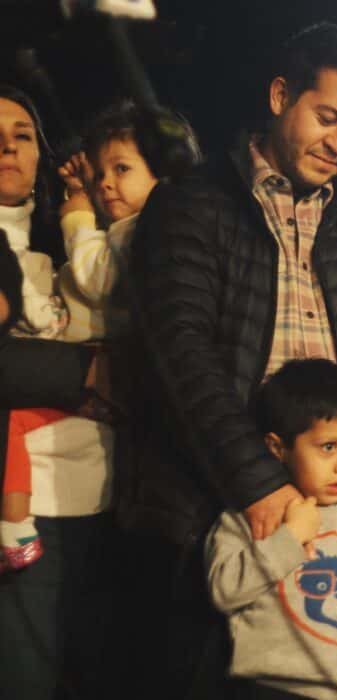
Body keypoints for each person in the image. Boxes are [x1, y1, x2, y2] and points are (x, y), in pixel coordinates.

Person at [125, 22, 337, 694]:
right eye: (328, 118)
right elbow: (180, 353)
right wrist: (258, 481)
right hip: (214, 512)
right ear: (279, 95)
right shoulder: (191, 204)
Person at [2, 100, 200, 572]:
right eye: (99, 173)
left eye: (123, 169)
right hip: (66, 484)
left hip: (115, 489)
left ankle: (13, 526)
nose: (106, 183)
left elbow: (95, 279)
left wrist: (77, 218)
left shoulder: (142, 231)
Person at [0, 85, 129, 698]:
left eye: (23, 134)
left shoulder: (85, 238)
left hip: (111, 505)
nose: (8, 147)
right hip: (24, 516)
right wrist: (87, 372)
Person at [206, 359, 337, 700]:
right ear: (278, 448)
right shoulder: (255, 516)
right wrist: (289, 537)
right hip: (273, 690)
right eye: (328, 447)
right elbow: (225, 591)